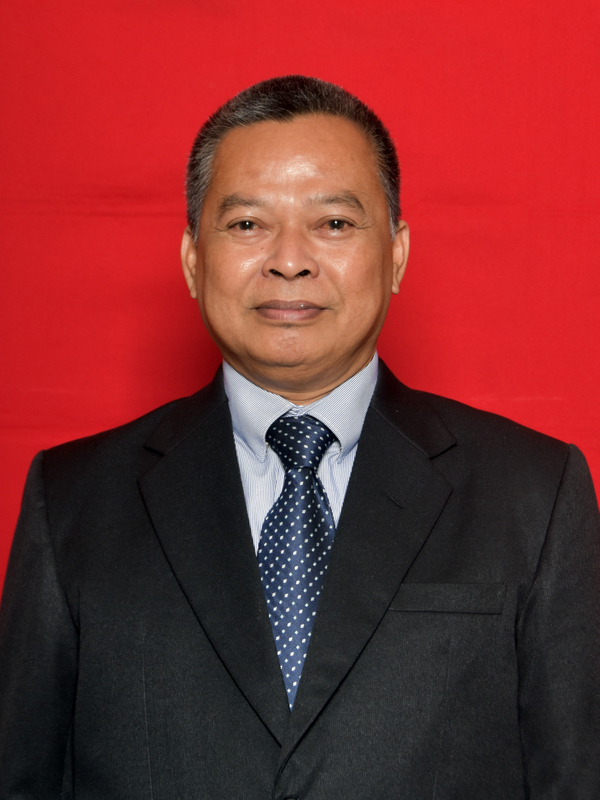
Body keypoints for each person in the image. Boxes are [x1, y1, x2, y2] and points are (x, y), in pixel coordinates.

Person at [1, 75, 599, 799]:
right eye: (247, 224)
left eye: (335, 223)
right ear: (193, 259)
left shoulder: (534, 494)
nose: (290, 259)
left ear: (397, 255)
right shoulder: (71, 501)